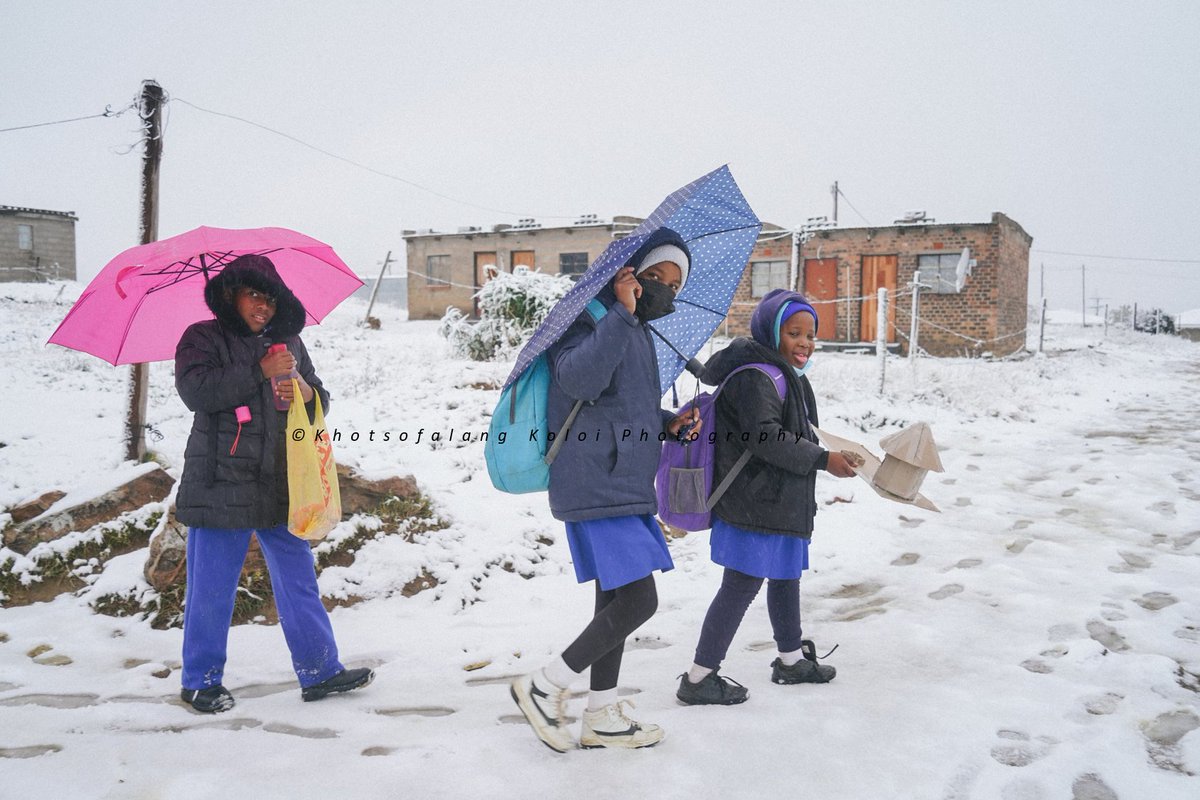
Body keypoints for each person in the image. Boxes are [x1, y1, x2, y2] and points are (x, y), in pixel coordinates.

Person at [510, 228, 700, 752]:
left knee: (614, 600)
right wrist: (618, 312)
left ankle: (601, 714)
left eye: (673, 283)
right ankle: (544, 686)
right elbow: (580, 381)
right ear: (628, 274)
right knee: (640, 599)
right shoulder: (588, 318)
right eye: (655, 275)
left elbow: (622, 405)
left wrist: (667, 422)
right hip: (596, 478)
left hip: (623, 479)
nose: (663, 287)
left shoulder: (635, 329)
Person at [174, 254, 373, 713]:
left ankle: (321, 671)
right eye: (253, 295)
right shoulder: (201, 338)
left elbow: (319, 396)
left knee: (298, 580)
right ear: (229, 295)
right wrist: (259, 373)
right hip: (220, 480)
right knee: (212, 586)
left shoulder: (289, 342)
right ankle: (200, 681)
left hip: (282, 480)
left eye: (270, 297)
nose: (263, 305)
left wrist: (302, 391)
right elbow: (197, 393)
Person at [675, 289, 857, 706]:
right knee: (741, 584)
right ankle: (699, 677)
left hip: (779, 499)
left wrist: (825, 453)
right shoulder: (758, 376)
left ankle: (791, 660)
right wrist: (822, 460)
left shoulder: (786, 374)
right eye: (795, 333)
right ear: (772, 332)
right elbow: (766, 437)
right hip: (753, 502)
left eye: (811, 335)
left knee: (786, 575)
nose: (805, 343)